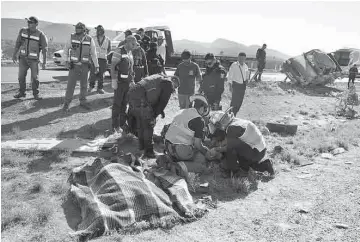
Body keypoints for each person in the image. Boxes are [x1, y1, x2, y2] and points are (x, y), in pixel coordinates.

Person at [208, 108, 275, 177]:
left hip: (256, 152)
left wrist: (216, 149)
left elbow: (229, 147)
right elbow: (232, 140)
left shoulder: (231, 128)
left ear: (221, 123)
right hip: (260, 149)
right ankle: (265, 165)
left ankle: (234, 171)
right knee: (250, 165)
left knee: (230, 150)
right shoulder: (236, 121)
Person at [127, 74, 180, 158]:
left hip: (133, 92)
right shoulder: (168, 83)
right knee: (148, 124)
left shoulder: (160, 77)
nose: (173, 89)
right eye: (175, 87)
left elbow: (155, 95)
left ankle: (142, 146)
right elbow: (163, 102)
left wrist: (159, 111)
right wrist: (153, 116)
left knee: (141, 121)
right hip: (140, 95)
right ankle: (149, 152)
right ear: (174, 81)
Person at [164, 94, 213, 173]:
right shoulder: (199, 120)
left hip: (168, 146)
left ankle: (171, 159)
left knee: (194, 152)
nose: (204, 112)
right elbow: (198, 145)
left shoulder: (183, 111)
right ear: (202, 108)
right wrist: (206, 153)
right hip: (179, 150)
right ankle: (178, 167)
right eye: (205, 109)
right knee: (201, 160)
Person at [62, 22, 99, 112]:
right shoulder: (72, 37)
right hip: (73, 66)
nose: (76, 29)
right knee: (71, 85)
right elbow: (66, 49)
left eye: (79, 28)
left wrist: (96, 65)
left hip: (85, 66)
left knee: (84, 85)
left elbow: (93, 53)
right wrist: (65, 61)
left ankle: (83, 101)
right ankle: (67, 103)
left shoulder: (89, 39)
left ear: (83, 29)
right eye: (76, 28)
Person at [12, 16, 48, 100]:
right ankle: (22, 93)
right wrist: (14, 54)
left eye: (31, 22)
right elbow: (18, 43)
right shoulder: (22, 31)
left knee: (35, 78)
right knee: (21, 77)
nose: (28, 23)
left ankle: (36, 94)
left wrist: (44, 62)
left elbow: (44, 49)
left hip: (34, 60)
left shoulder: (40, 34)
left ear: (36, 24)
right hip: (23, 58)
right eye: (28, 22)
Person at [111, 35, 137, 132]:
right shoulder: (119, 51)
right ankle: (115, 126)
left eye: (135, 44)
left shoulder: (130, 53)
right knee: (117, 105)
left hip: (127, 84)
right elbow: (113, 66)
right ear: (127, 42)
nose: (134, 45)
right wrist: (113, 80)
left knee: (124, 104)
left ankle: (122, 124)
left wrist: (132, 80)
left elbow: (131, 69)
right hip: (119, 83)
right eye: (132, 43)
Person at [88, 25, 111, 94]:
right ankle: (91, 87)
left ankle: (100, 88)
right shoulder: (93, 38)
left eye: (100, 30)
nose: (99, 31)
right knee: (93, 73)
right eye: (97, 30)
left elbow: (109, 49)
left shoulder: (107, 39)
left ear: (103, 30)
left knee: (101, 74)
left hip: (103, 59)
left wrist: (104, 54)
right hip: (94, 59)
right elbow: (89, 48)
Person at [228, 52, 250, 117]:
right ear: (238, 58)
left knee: (240, 102)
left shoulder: (246, 66)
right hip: (235, 85)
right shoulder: (234, 65)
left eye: (243, 58)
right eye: (240, 58)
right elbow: (230, 76)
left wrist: (247, 80)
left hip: (242, 86)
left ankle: (234, 114)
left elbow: (247, 75)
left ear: (245, 59)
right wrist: (230, 86)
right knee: (234, 101)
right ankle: (230, 115)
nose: (241, 60)